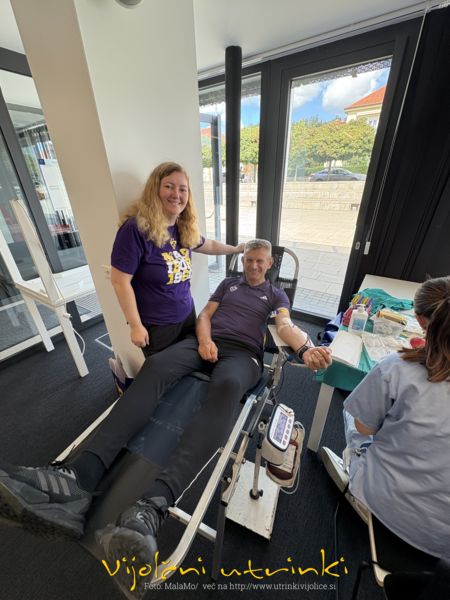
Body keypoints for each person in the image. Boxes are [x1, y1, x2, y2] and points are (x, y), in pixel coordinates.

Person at [0, 239, 332, 596]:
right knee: (156, 365)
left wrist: (306, 348)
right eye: (249, 260)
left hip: (242, 356)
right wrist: (204, 341)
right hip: (204, 343)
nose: (253, 265)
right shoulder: (228, 284)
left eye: (259, 261)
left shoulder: (275, 295)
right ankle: (78, 477)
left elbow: (286, 326)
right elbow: (204, 316)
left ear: (269, 265)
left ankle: (151, 506)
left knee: (227, 387)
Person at [321, 275, 450, 561]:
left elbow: (365, 427)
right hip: (444, 543)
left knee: (352, 413)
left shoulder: (397, 368)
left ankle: (357, 480)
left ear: (420, 321)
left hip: (392, 511)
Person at [111, 161, 243, 356]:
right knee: (165, 372)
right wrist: (135, 325)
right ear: (155, 190)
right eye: (169, 186)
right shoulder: (135, 229)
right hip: (157, 326)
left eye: (183, 189)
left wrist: (236, 249)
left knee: (191, 364)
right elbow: (119, 281)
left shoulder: (182, 227)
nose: (176, 194)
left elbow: (209, 245)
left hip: (187, 316)